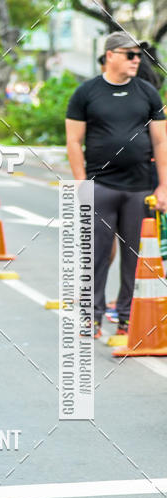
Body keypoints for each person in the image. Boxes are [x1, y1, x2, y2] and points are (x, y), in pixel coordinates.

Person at [66, 31, 167, 339]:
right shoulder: (86, 93)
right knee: (96, 254)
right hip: (101, 186)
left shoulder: (148, 93)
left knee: (134, 258)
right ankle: (91, 317)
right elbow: (73, 141)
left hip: (140, 188)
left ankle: (126, 317)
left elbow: (161, 140)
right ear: (111, 55)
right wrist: (81, 183)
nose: (137, 60)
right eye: (130, 54)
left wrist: (163, 187)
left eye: (138, 55)